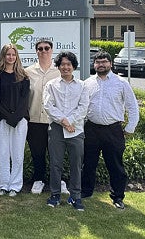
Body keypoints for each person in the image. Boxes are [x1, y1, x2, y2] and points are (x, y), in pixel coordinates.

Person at [81, 50, 139, 209]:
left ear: (110, 64)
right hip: (91, 129)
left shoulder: (121, 83)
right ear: (94, 65)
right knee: (88, 163)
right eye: (98, 62)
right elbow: (83, 106)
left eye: (104, 62)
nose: (101, 65)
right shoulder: (88, 83)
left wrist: (130, 127)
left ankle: (118, 197)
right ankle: (86, 192)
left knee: (115, 165)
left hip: (113, 130)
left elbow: (132, 106)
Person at [43, 51, 89, 211]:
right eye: (62, 64)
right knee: (56, 164)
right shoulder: (51, 85)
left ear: (73, 66)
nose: (65, 67)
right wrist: (64, 121)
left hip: (76, 129)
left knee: (76, 164)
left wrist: (70, 122)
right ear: (58, 66)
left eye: (68, 64)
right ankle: (55, 194)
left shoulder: (82, 85)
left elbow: (83, 107)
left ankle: (75, 196)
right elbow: (48, 106)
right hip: (56, 128)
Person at [24, 39, 68, 194]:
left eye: (46, 48)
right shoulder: (28, 72)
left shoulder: (59, 72)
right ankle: (39, 180)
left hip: (54, 121)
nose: (43, 51)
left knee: (56, 152)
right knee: (38, 152)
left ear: (52, 50)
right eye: (40, 49)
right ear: (36, 51)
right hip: (35, 119)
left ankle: (59, 180)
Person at [0, 44, 30, 197]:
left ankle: (15, 185)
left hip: (20, 120)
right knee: (3, 153)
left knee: (17, 154)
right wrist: (8, 116)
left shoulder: (23, 76)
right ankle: (3, 185)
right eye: (8, 54)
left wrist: (16, 117)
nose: (11, 57)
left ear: (17, 57)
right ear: (3, 56)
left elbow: (24, 100)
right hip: (2, 119)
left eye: (13, 55)